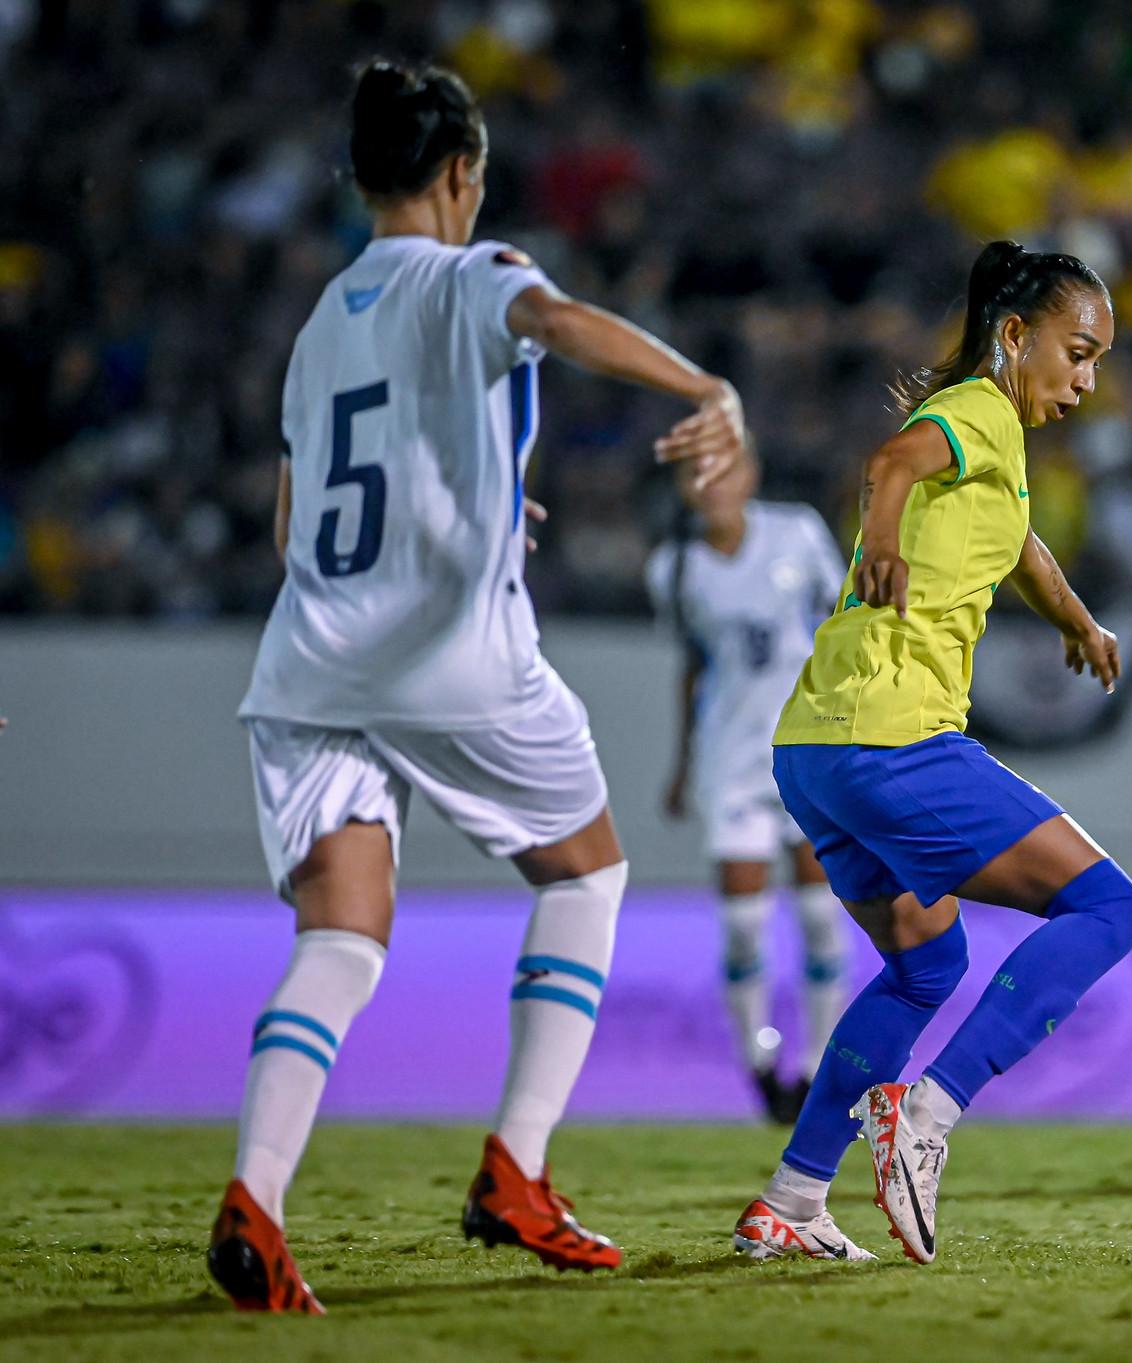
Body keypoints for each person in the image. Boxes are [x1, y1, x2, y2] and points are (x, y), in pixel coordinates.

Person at [211, 59, 747, 1314]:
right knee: (588, 873)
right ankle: (516, 1167)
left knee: (339, 937)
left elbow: (300, 523)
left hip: (307, 661)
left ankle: (257, 1197)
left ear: (357, 178)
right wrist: (704, 387)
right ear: (463, 176)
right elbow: (554, 321)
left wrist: (485, 506)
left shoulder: (318, 323)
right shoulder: (475, 273)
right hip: (448, 659)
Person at [729, 241, 1132, 1264]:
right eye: (1076, 351)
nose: (1086, 381)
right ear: (1015, 336)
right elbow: (893, 461)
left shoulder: (994, 449)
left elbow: (1021, 543)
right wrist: (878, 536)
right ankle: (928, 1112)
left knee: (928, 963)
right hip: (894, 736)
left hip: (815, 749)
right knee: (1107, 908)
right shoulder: (978, 411)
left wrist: (1075, 619)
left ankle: (790, 1197)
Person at [644, 452, 849, 1121]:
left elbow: (846, 627)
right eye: (698, 475)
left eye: (724, 470)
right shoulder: (674, 568)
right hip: (731, 763)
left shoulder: (798, 533)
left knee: (821, 915)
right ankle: (760, 1066)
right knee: (743, 926)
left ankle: (818, 1060)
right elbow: (693, 666)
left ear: (752, 474)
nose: (713, 485)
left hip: (807, 750)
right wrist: (678, 767)